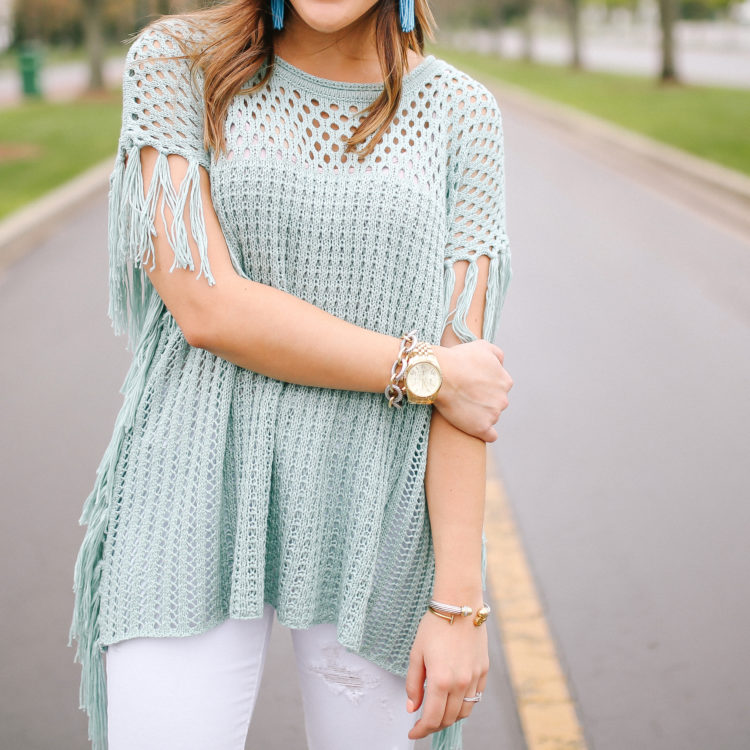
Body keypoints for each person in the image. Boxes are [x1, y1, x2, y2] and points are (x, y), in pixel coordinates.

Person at [67, 1, 514, 749]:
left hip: (378, 521)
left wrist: (459, 606)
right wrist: (422, 370)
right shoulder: (176, 61)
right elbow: (204, 303)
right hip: (189, 496)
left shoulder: (464, 114)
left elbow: (466, 387)